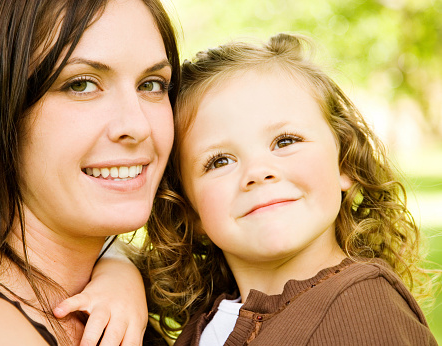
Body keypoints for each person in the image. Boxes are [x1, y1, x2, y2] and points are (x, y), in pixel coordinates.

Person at [137, 33, 438, 345]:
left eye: (285, 141)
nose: (258, 172)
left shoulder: (366, 311)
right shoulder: (212, 320)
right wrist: (116, 272)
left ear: (344, 164)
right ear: (189, 208)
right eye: (220, 161)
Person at [0, 0, 180, 345]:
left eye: (152, 84)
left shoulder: (144, 292)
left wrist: (121, 268)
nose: (138, 126)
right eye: (81, 84)